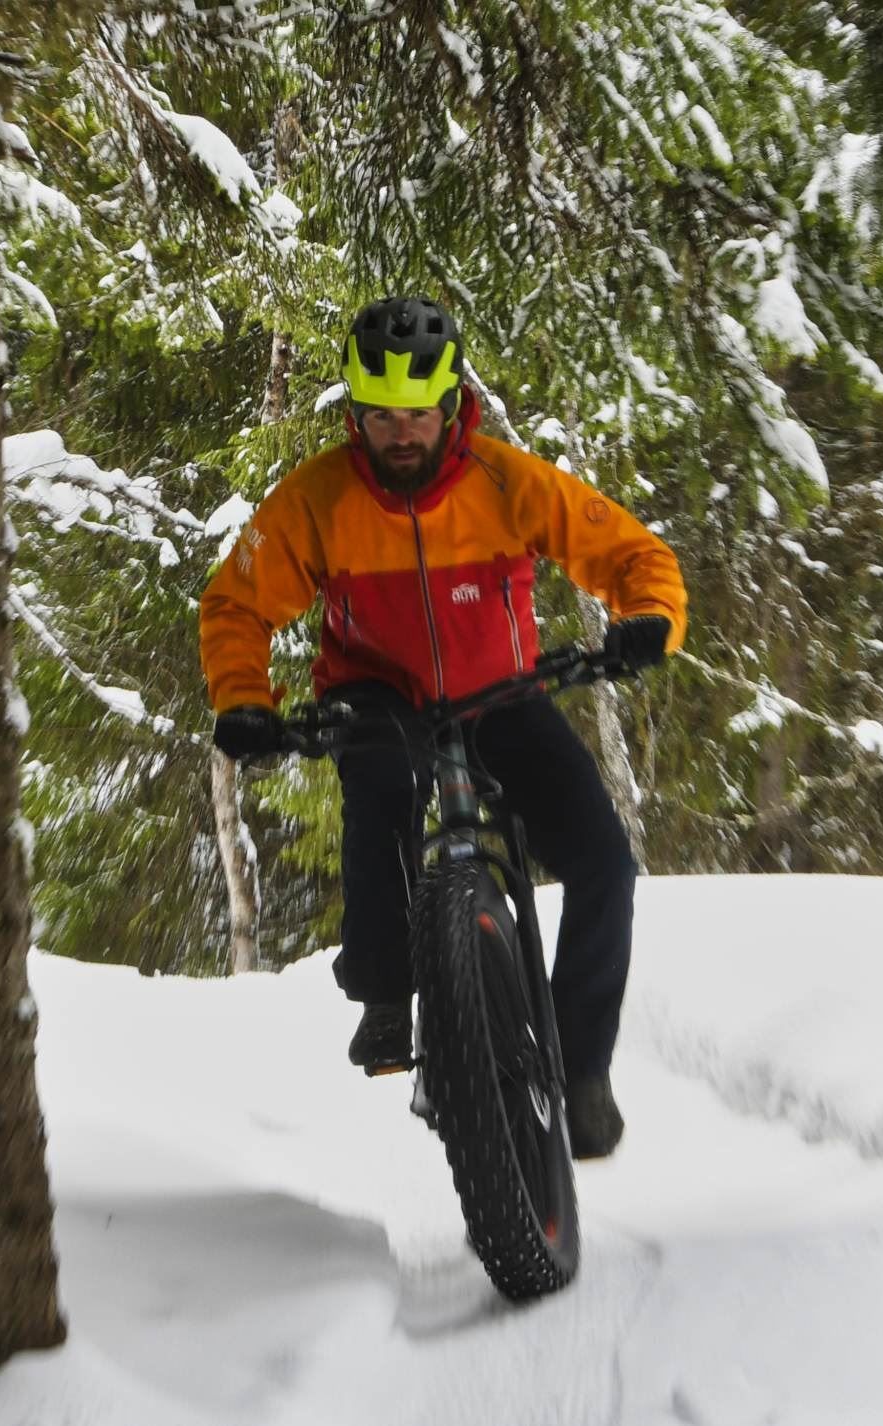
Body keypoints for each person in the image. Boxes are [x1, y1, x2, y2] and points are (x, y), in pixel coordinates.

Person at [198, 295, 686, 1159]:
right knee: (380, 791)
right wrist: (246, 702)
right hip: (377, 695)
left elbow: (635, 555)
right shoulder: (318, 499)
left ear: (452, 405)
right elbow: (235, 603)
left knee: (604, 863)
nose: (401, 434)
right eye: (382, 416)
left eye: (418, 413)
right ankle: (388, 995)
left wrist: (648, 617)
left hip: (502, 692)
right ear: (356, 414)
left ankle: (582, 1071)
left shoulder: (506, 480)